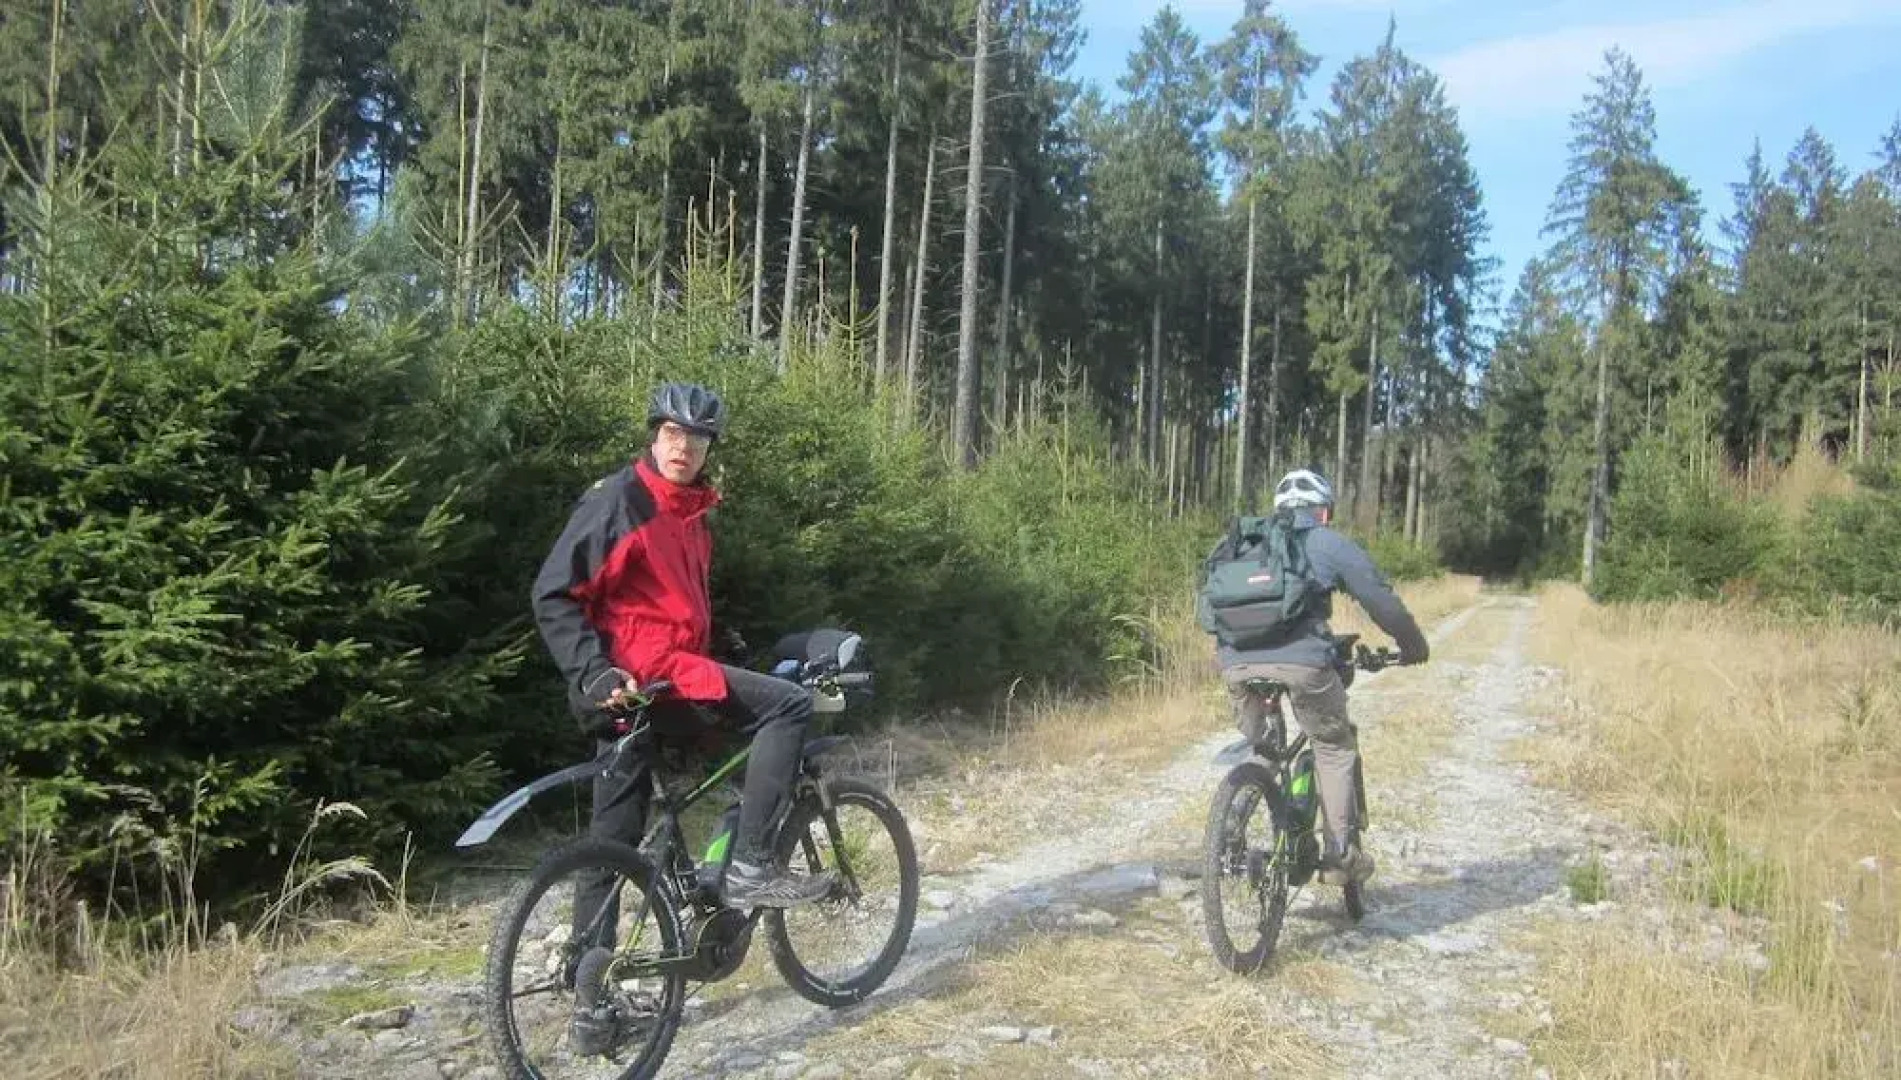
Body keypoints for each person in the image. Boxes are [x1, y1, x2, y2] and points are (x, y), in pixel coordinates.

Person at [531, 381, 832, 911]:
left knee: (614, 840)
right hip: (639, 683)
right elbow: (554, 593)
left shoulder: (688, 514)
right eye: (673, 433)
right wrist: (593, 671)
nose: (683, 448)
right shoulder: (621, 503)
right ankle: (751, 865)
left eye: (698, 438)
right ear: (654, 436)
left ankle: (587, 973)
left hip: (660, 679)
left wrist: (719, 643)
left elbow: (662, 607)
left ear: (710, 448)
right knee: (788, 706)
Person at [1218, 468, 1429, 885]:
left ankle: (1229, 825)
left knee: (1263, 745)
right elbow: (1379, 599)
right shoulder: (1326, 542)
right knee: (1332, 745)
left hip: (1235, 666)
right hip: (1304, 665)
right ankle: (1338, 857)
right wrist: (1413, 646)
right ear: (1324, 512)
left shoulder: (1240, 544)